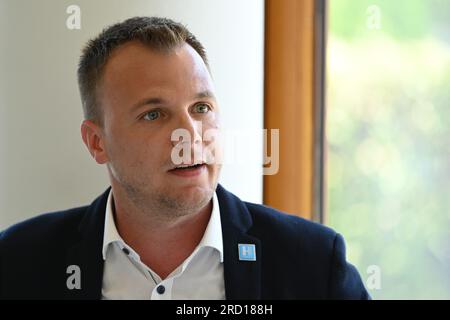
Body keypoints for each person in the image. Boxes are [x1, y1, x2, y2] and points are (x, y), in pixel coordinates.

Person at [0, 16, 369, 300]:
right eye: (153, 114)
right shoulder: (18, 264)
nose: (190, 135)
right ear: (97, 142)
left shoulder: (315, 266)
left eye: (201, 107)